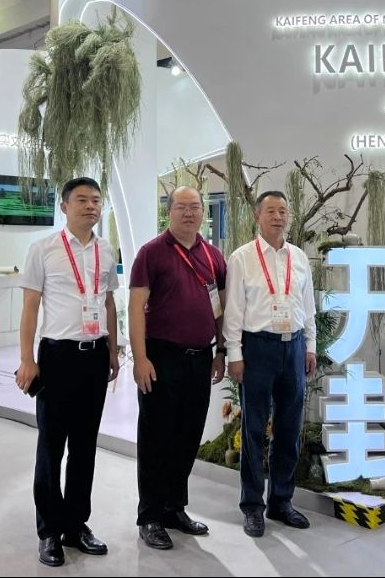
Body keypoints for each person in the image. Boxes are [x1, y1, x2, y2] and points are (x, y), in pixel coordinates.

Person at [15, 177, 120, 567]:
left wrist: (113, 348)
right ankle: (49, 531)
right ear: (64, 206)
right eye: (82, 200)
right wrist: (27, 359)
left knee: (85, 446)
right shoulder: (43, 249)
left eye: (96, 200)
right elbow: (30, 308)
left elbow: (108, 303)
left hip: (95, 356)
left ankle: (76, 525)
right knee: (51, 446)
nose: (91, 206)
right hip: (57, 357)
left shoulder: (105, 250)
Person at [128, 186, 227, 550]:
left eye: (195, 207)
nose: (189, 213)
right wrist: (140, 358)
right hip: (161, 358)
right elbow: (135, 308)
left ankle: (174, 508)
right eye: (181, 207)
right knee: (156, 438)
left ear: (203, 213)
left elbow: (221, 309)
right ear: (168, 212)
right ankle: (150, 516)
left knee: (187, 436)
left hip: (200, 359)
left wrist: (221, 351)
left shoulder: (213, 256)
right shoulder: (151, 253)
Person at [223, 191, 317, 538]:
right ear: (257, 216)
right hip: (257, 348)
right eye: (271, 211)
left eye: (283, 211)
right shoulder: (242, 258)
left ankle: (281, 501)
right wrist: (235, 355)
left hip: (294, 347)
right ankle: (252, 506)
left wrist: (310, 346)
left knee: (289, 429)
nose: (278, 217)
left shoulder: (299, 257)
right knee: (253, 429)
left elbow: (308, 306)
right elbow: (234, 311)